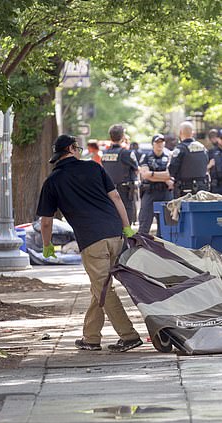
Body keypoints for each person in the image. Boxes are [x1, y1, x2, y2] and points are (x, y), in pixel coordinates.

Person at [36, 134, 143, 353]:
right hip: (115, 235)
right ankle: (91, 338)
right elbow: (116, 198)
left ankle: (129, 336)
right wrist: (126, 227)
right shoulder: (95, 168)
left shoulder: (52, 181)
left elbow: (46, 221)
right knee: (100, 288)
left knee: (104, 289)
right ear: (72, 149)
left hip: (92, 240)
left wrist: (47, 245)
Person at [101, 124, 138, 225]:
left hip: (109, 191)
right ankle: (126, 240)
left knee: (113, 220)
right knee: (126, 220)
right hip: (124, 192)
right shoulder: (126, 153)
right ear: (123, 137)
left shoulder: (105, 153)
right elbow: (136, 169)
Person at [137, 134, 173, 235]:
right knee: (144, 224)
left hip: (165, 193)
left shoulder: (169, 156)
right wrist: (165, 178)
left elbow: (170, 174)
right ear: (153, 144)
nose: (159, 144)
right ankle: (141, 248)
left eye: (161, 142)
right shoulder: (146, 157)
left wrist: (152, 174)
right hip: (150, 192)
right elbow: (145, 175)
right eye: (157, 142)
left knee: (167, 226)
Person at [168, 121, 209, 198]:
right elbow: (206, 164)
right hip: (202, 188)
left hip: (184, 190)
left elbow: (172, 170)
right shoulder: (202, 147)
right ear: (192, 133)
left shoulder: (180, 149)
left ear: (180, 132)